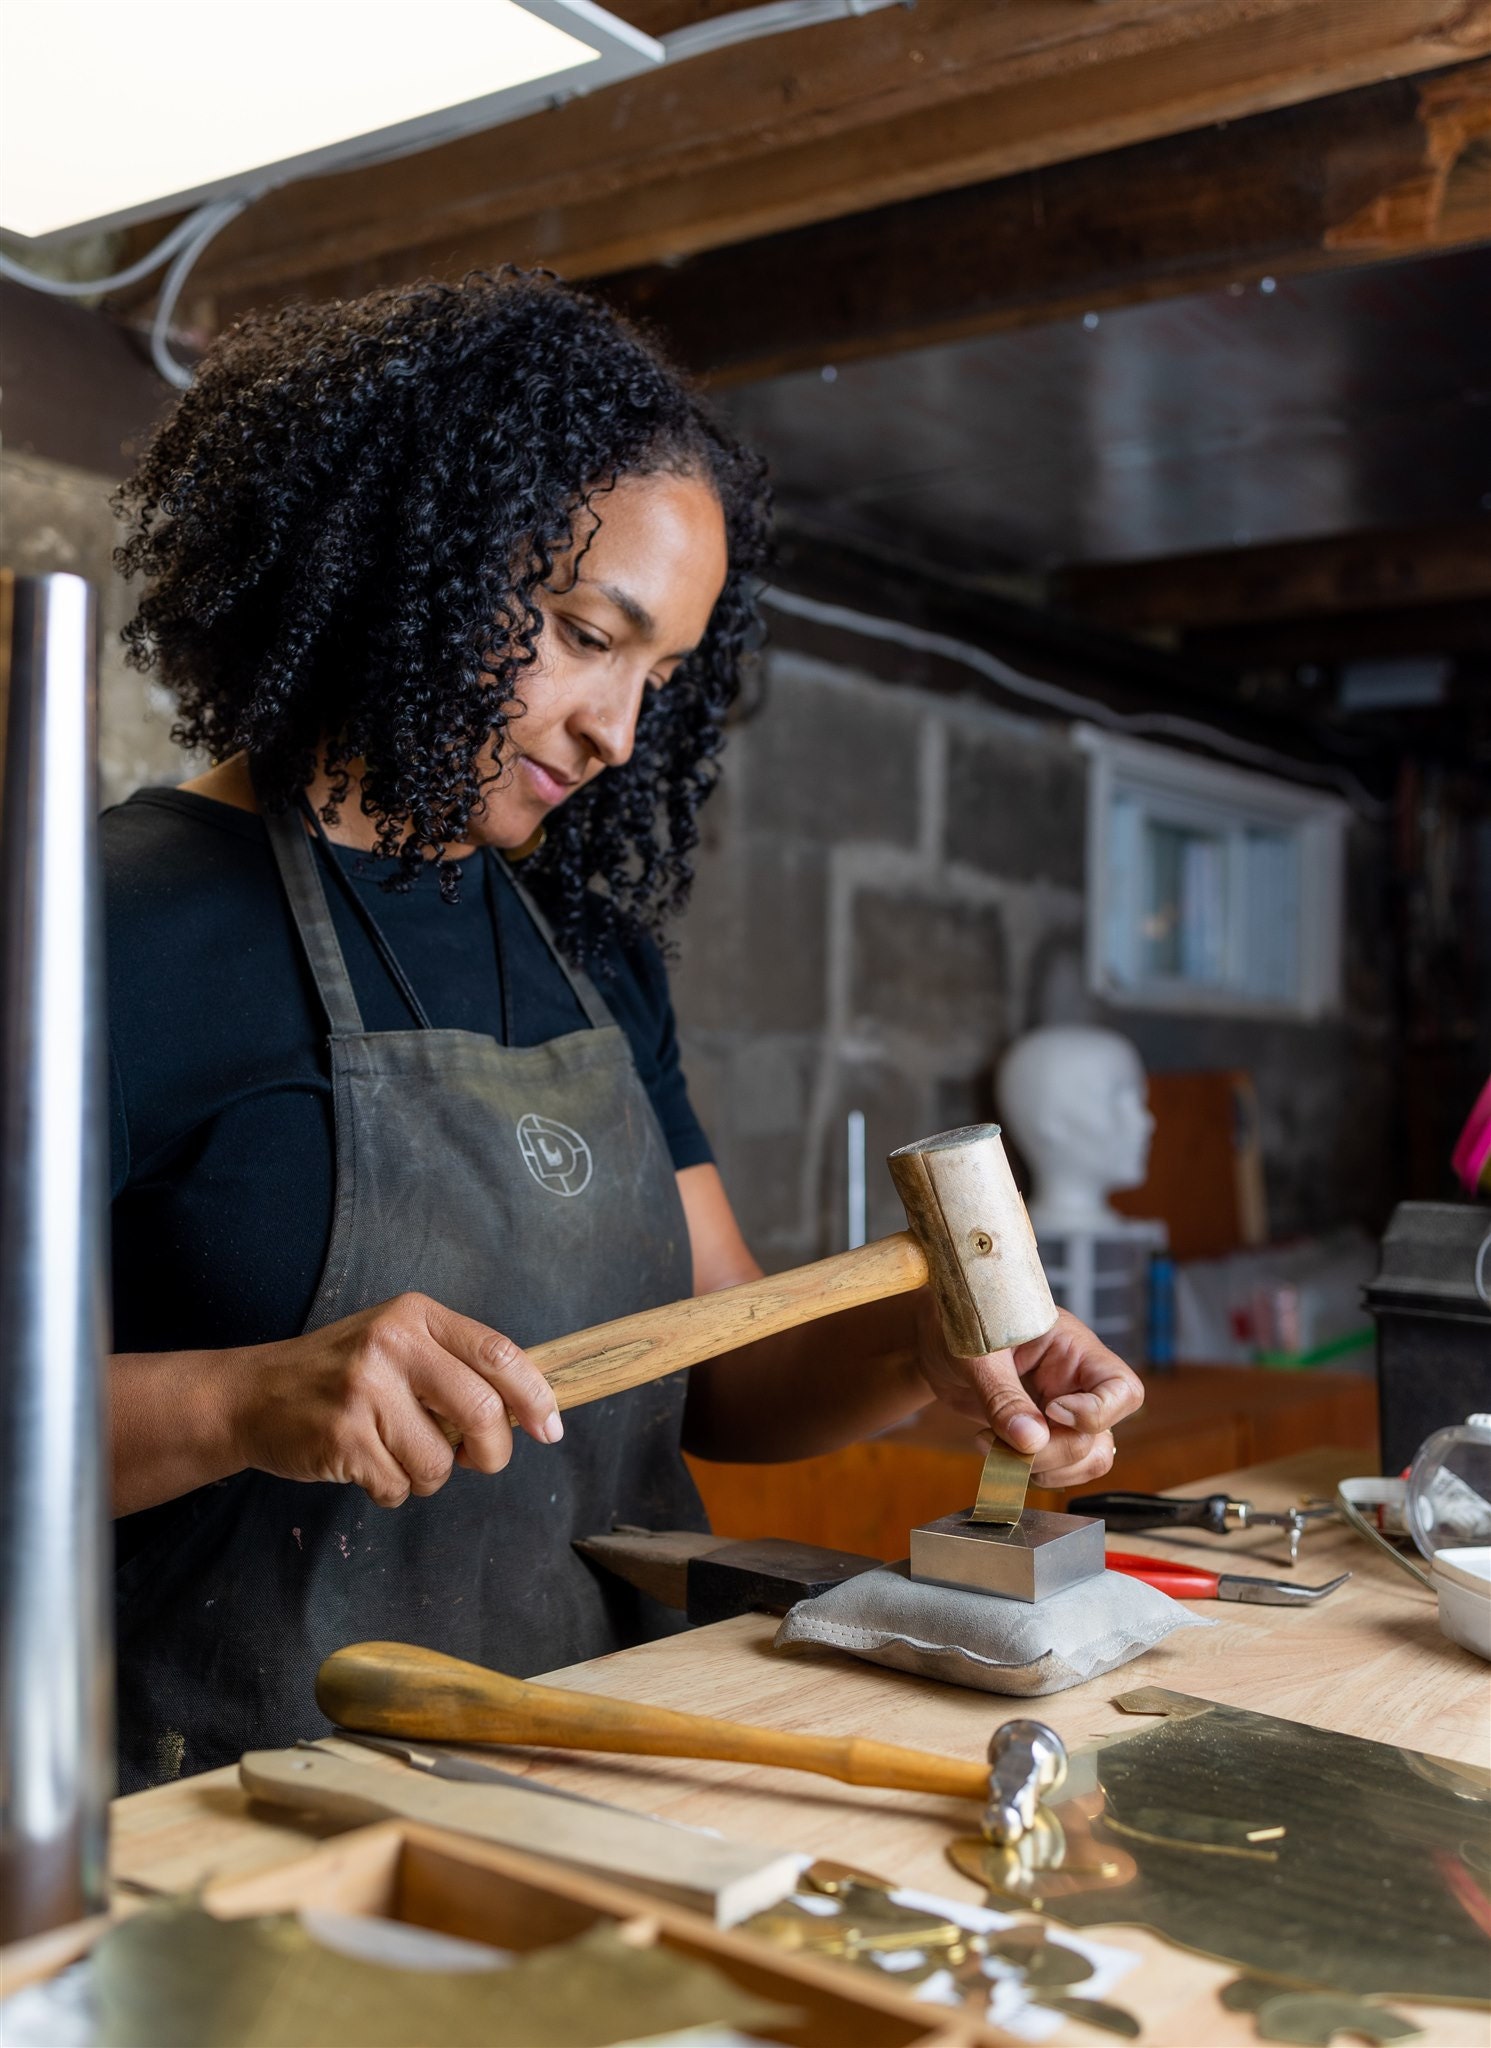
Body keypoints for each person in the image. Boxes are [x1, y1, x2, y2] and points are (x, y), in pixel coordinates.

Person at [106, 271, 1142, 1791]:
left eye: (661, 678)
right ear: (414, 556)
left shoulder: (586, 953)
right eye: (588, 633)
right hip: (240, 1809)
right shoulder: (107, 925)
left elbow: (718, 1368)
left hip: (612, 1767)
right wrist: (241, 1398)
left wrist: (923, 1351)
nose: (617, 732)